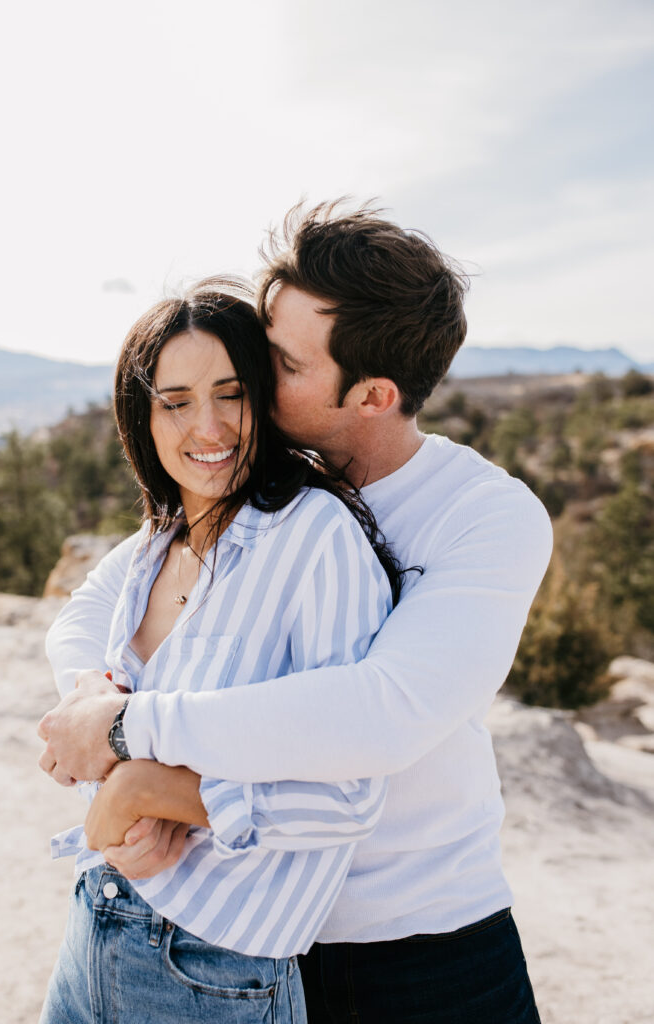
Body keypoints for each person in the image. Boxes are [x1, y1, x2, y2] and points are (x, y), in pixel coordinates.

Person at [40, 202, 553, 1023]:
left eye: (278, 359)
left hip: (417, 945)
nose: (250, 367)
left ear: (373, 393)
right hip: (246, 932)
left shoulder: (483, 513)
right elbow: (96, 602)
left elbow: (382, 714)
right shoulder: (264, 483)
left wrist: (129, 736)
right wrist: (89, 695)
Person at [38, 280, 400, 1024]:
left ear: (261, 398)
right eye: (175, 401)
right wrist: (89, 699)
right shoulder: (157, 543)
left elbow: (349, 793)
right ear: (142, 417)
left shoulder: (314, 537)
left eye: (230, 393)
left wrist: (147, 789)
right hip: (93, 928)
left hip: (211, 973)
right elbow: (75, 624)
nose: (209, 426)